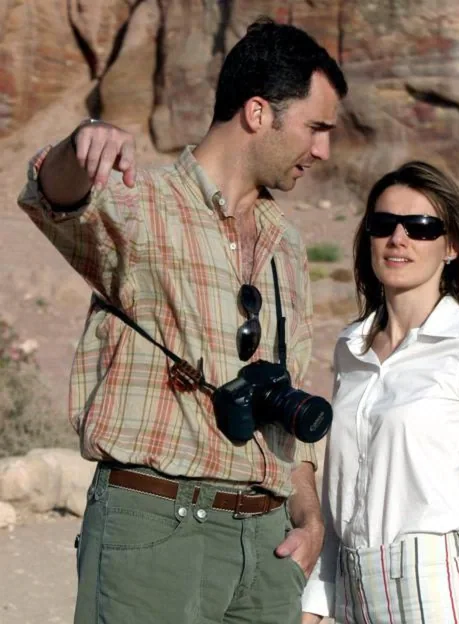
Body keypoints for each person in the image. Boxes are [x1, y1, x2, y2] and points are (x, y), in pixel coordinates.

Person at [17, 17, 347, 624]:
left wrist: (308, 515)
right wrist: (82, 143)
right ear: (257, 112)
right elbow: (52, 196)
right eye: (316, 127)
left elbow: (288, 394)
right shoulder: (143, 204)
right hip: (156, 531)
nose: (323, 150)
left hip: (267, 546)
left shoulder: (287, 245)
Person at [301, 162, 459, 623]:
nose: (399, 238)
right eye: (383, 224)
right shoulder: (349, 349)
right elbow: (337, 505)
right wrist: (312, 609)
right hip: (351, 593)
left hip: (430, 591)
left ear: (451, 246)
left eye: (421, 227)